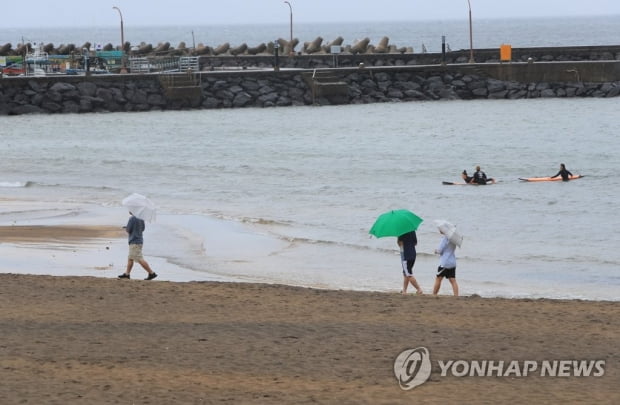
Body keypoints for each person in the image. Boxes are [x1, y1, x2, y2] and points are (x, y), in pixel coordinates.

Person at [118, 212, 158, 280]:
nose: (129, 210)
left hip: (134, 241)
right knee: (130, 258)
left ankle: (151, 273)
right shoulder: (141, 218)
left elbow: (128, 230)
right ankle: (127, 274)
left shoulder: (132, 218)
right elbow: (142, 229)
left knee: (139, 258)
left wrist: (127, 228)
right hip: (139, 240)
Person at [432, 228, 459, 296]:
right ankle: (456, 295)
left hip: (444, 263)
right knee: (453, 280)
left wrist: (436, 251)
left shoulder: (445, 238)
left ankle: (434, 294)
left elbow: (440, 250)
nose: (439, 230)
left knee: (438, 278)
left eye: (440, 229)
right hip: (452, 262)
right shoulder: (454, 239)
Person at [397, 231, 423, 295]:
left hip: (406, 255)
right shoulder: (412, 230)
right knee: (406, 273)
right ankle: (404, 291)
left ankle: (419, 289)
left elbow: (400, 244)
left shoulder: (401, 232)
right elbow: (415, 243)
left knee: (408, 274)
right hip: (413, 254)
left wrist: (398, 239)